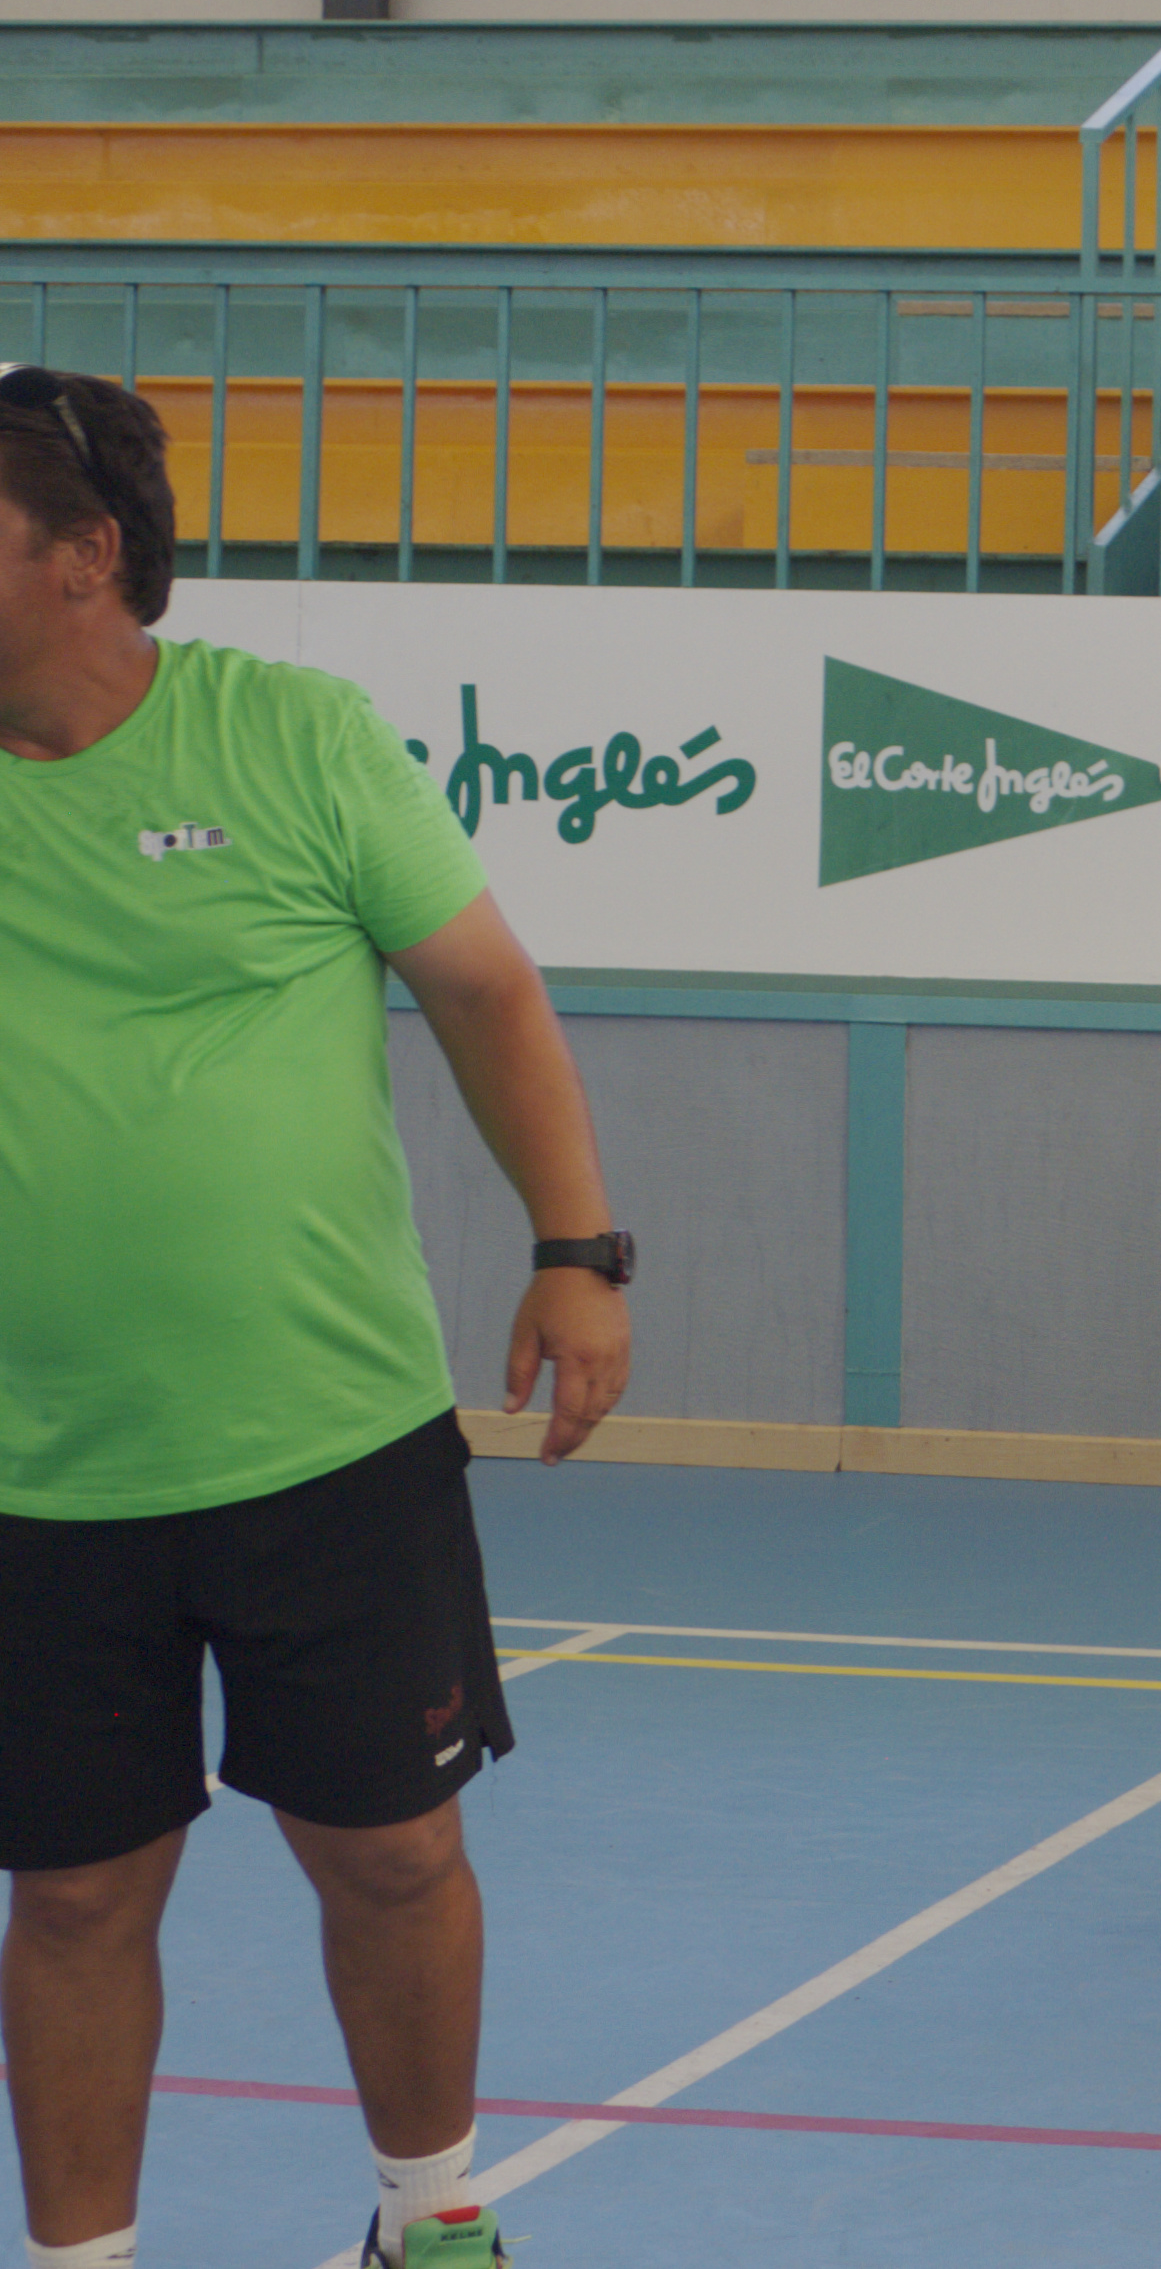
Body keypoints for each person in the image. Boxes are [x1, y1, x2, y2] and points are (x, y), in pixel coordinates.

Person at [0, 365, 637, 2269]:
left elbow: (487, 992)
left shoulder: (292, 736)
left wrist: (578, 1249)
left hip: (328, 1436)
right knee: (75, 1894)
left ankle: (425, 2222)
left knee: (396, 1851)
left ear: (83, 554)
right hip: (38, 1467)